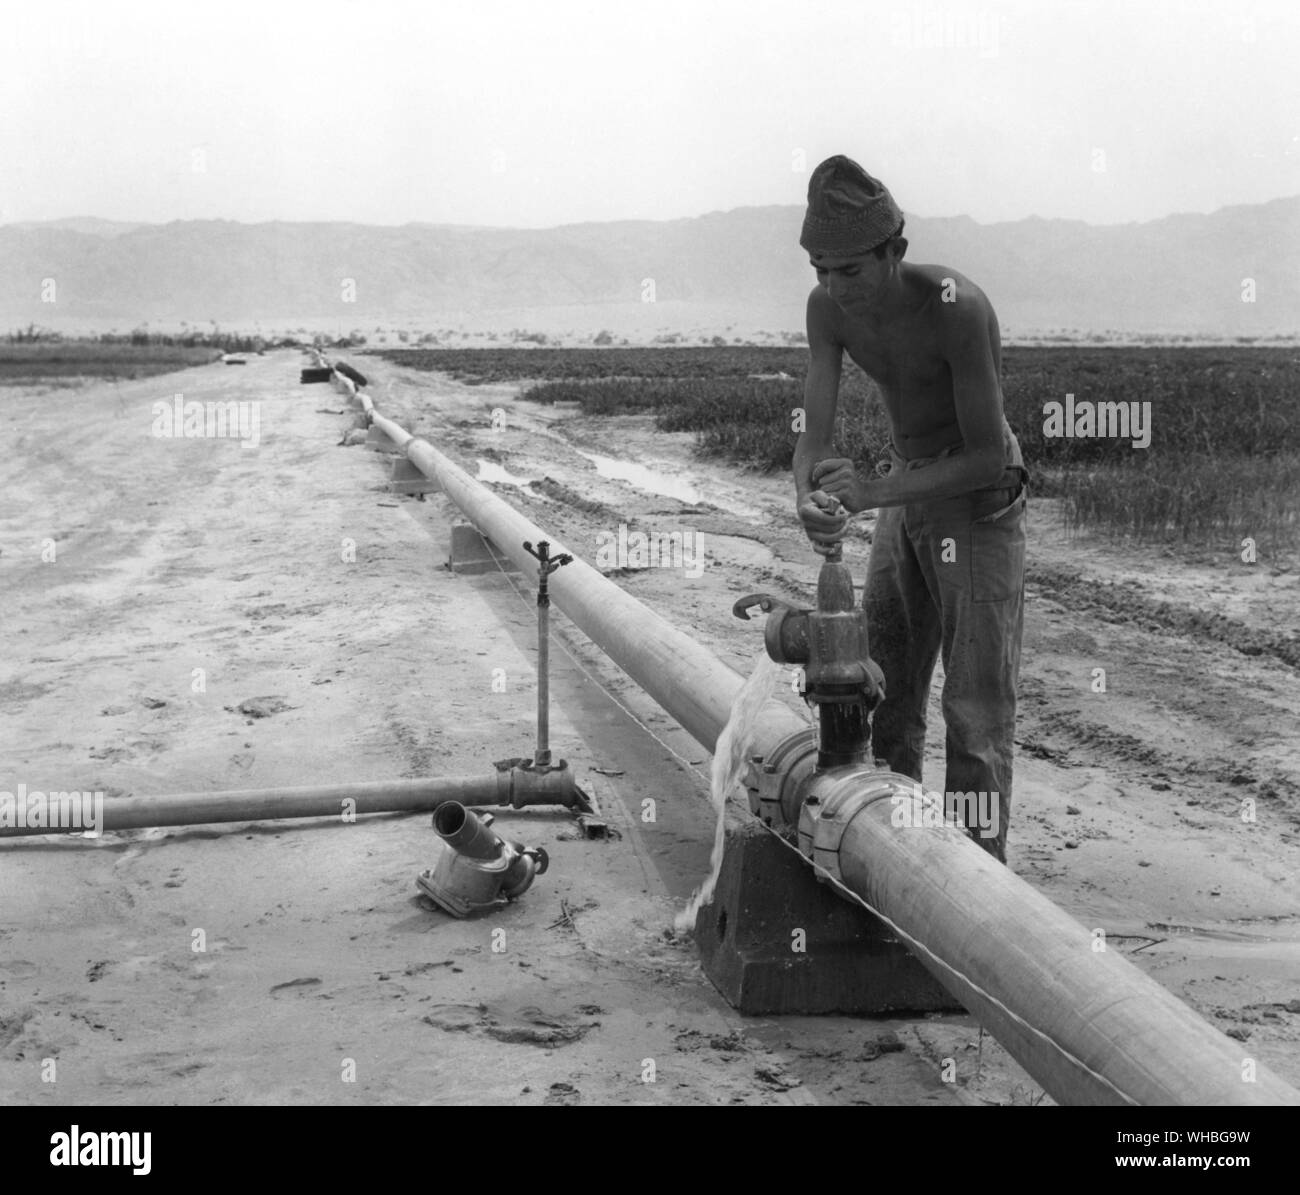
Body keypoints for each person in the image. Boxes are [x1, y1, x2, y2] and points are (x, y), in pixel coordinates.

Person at [793, 154, 1027, 863]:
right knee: (883, 694)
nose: (835, 287)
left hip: (978, 505)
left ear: (895, 252)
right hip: (906, 491)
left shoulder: (957, 307)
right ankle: (898, 870)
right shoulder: (827, 310)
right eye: (820, 270)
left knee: (975, 718)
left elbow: (988, 455)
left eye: (850, 271)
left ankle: (979, 895)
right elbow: (815, 435)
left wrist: (871, 494)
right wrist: (810, 496)